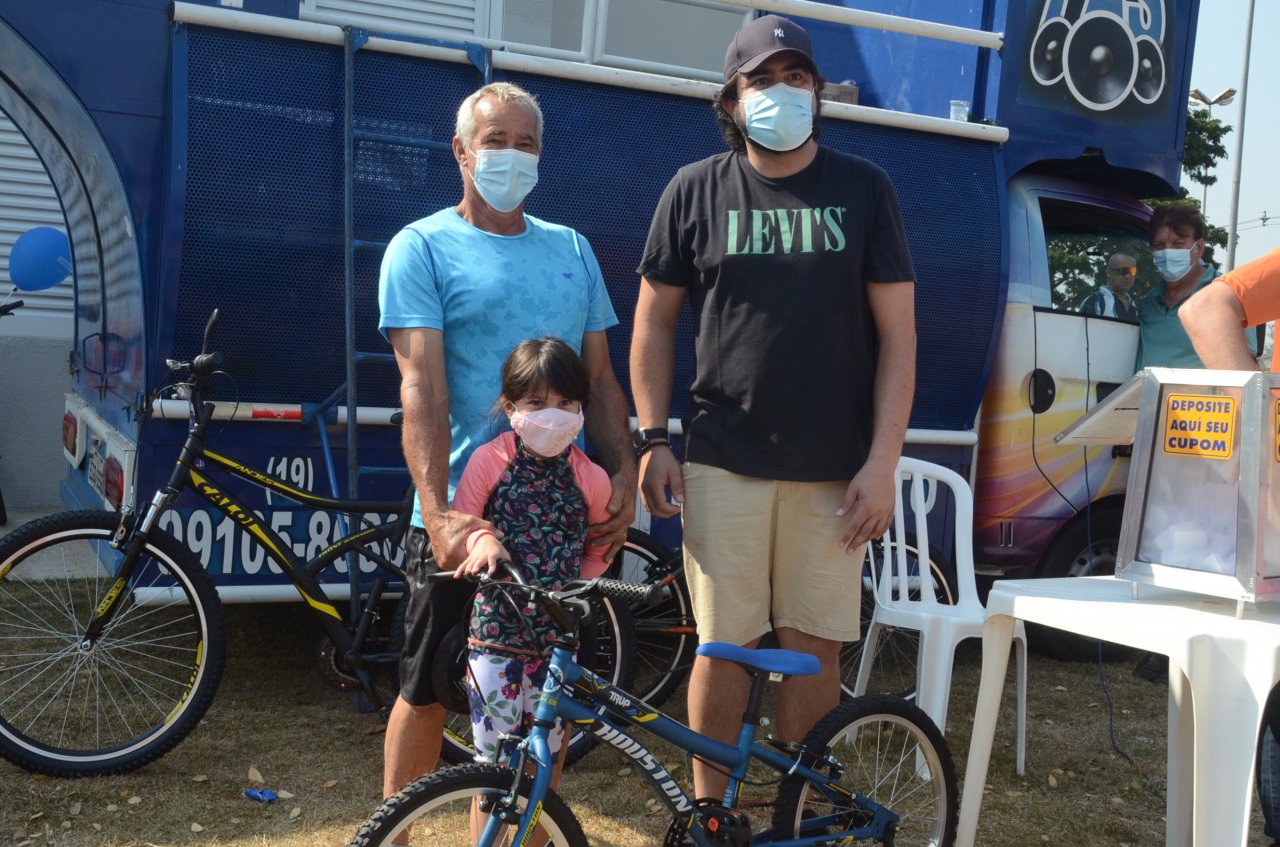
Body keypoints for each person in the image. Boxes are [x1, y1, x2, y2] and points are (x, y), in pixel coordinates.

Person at [630, 13, 916, 801]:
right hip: (723, 460)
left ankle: (797, 809)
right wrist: (654, 439)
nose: (781, 92)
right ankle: (712, 814)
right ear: (732, 98)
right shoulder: (694, 189)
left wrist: (883, 461)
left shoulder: (865, 189)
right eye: (762, 79)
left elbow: (900, 336)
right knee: (724, 647)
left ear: (818, 93)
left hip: (837, 472)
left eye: (797, 77)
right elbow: (652, 325)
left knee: (813, 648)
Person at [377, 81, 636, 803]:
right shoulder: (421, 247)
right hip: (467, 519)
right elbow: (421, 390)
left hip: (554, 531)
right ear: (461, 152)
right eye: (496, 140)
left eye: (526, 143)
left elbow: (603, 379)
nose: (511, 155)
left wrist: (626, 472)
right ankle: (394, 828)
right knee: (427, 691)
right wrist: (439, 517)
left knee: (539, 706)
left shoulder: (573, 250)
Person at [451, 337, 610, 775]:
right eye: (537, 402)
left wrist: (582, 587)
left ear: (581, 407)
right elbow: (462, 523)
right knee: (491, 767)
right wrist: (481, 540)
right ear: (510, 408)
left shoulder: (592, 479)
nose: (552, 414)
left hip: (559, 644)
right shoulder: (488, 461)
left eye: (565, 401)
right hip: (494, 636)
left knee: (545, 763)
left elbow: (601, 542)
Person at [1136, 203, 1221, 368]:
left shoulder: (1223, 294)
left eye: (1178, 244)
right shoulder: (1150, 301)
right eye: (1159, 246)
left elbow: (1242, 375)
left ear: (1199, 247)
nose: (1168, 252)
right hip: (1146, 393)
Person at [1079, 252, 1139, 320]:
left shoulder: (1137, 306)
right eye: (1123, 271)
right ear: (1109, 272)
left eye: (1132, 271)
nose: (1128, 276)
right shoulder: (1094, 302)